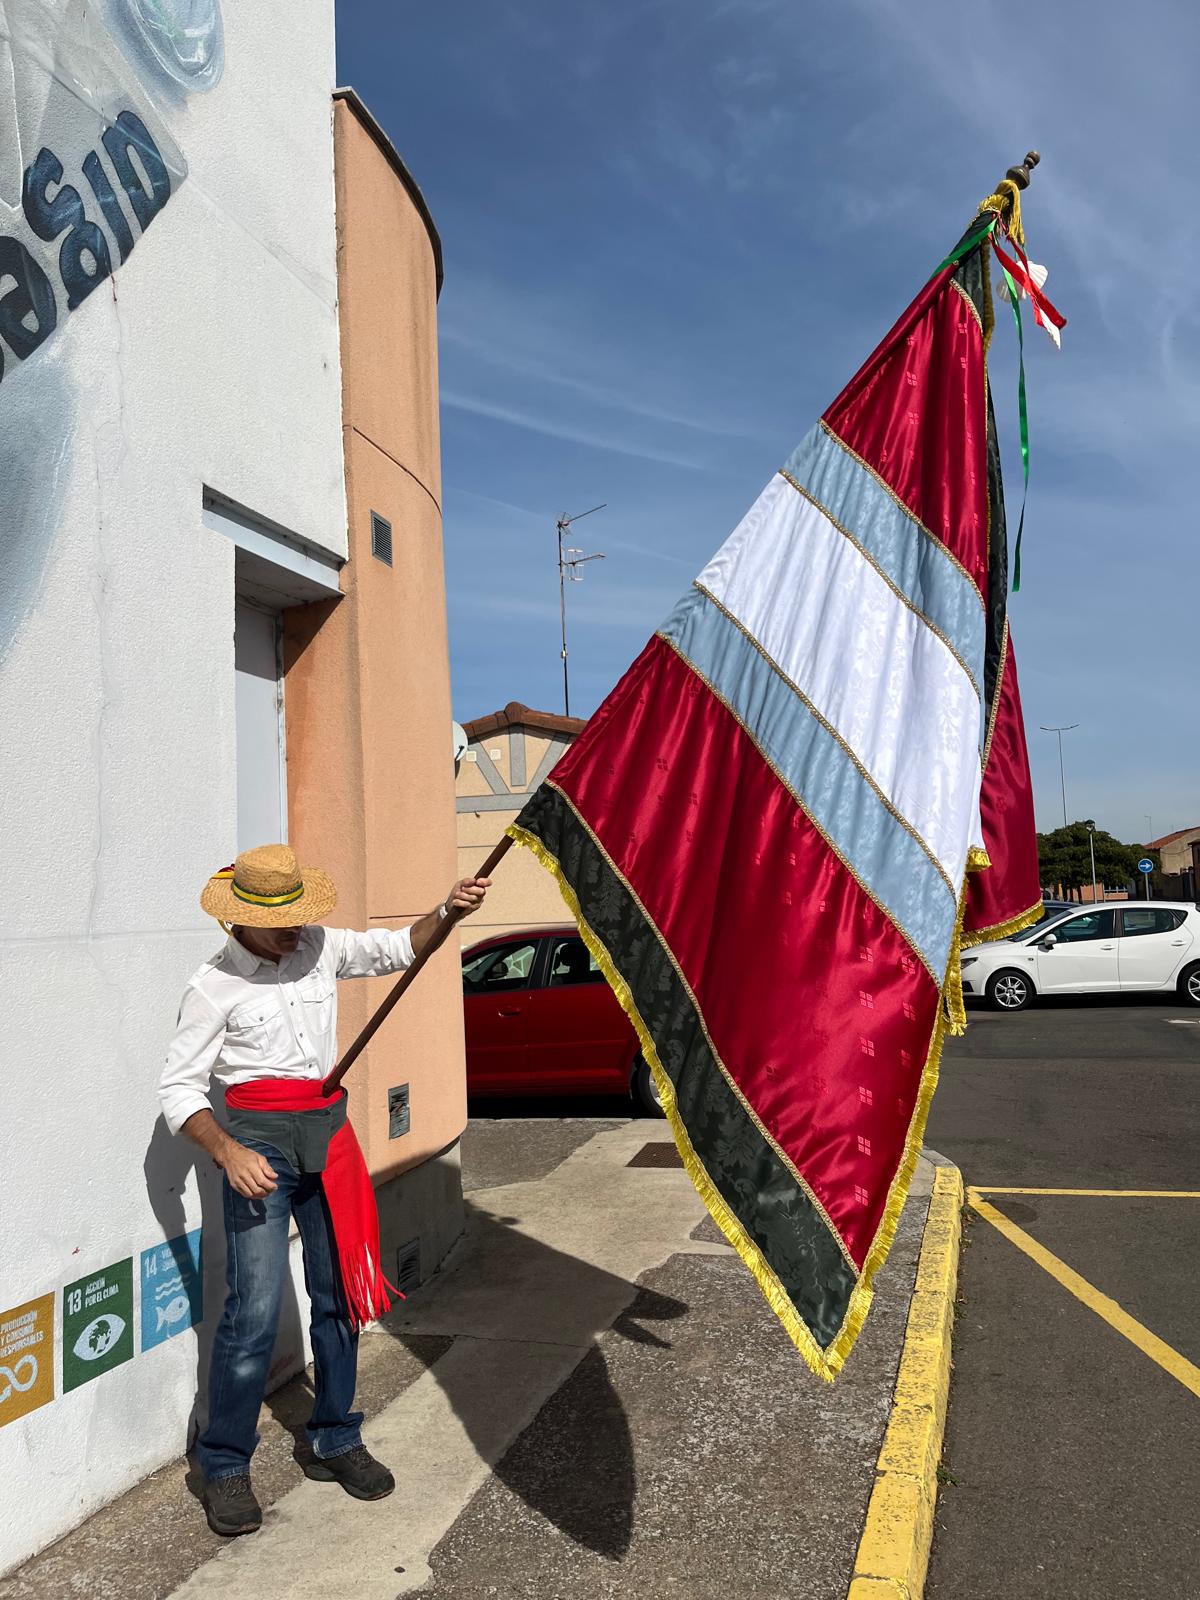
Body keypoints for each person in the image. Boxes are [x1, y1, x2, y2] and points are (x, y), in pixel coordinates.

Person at [158, 843, 490, 1537]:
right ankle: (223, 1463)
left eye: (298, 913)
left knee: (338, 1298)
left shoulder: (319, 944)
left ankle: (336, 1437)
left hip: (330, 1140)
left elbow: (398, 948)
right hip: (257, 1148)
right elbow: (179, 1091)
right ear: (240, 920)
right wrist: (226, 1150)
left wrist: (447, 910)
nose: (295, 927)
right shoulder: (213, 986)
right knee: (253, 1313)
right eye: (280, 919)